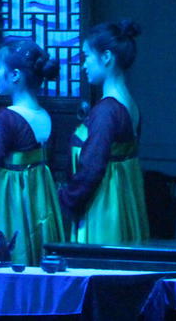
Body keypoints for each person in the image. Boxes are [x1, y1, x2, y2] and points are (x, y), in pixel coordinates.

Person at [0, 39, 64, 265]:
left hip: (10, 209)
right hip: (42, 208)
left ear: (15, 75)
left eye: (0, 69)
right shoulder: (46, 117)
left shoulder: (6, 119)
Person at [58, 19, 149, 244]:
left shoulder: (107, 110)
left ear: (106, 57)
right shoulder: (128, 102)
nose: (84, 65)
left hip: (104, 206)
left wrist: (65, 198)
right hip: (123, 200)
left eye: (87, 56)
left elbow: (92, 166)